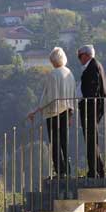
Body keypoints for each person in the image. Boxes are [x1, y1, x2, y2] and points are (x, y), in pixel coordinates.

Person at [30, 47, 75, 179]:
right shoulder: (70, 73)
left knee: (55, 142)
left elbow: (47, 97)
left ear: (53, 61)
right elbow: (72, 94)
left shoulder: (52, 74)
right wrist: (71, 112)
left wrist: (36, 110)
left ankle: (59, 171)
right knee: (64, 142)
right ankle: (67, 169)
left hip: (53, 112)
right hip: (66, 111)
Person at [77, 44, 106, 179]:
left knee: (91, 140)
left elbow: (93, 89)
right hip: (92, 107)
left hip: (91, 108)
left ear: (86, 55)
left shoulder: (92, 67)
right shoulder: (95, 65)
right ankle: (98, 170)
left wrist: (86, 102)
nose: (79, 59)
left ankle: (94, 172)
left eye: (80, 56)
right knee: (91, 140)